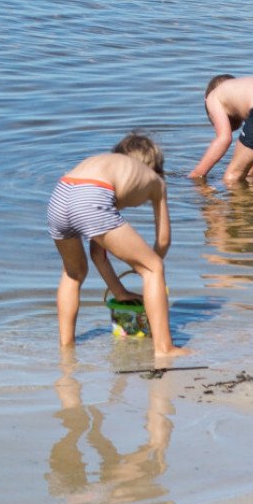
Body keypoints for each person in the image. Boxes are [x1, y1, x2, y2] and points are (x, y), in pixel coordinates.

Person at [46, 131, 189, 357]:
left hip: (61, 193)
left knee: (74, 272)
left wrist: (119, 291)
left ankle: (66, 347)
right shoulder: (156, 181)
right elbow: (163, 240)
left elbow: (98, 253)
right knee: (154, 268)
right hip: (93, 194)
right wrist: (145, 268)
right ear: (156, 166)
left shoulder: (109, 166)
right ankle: (165, 348)